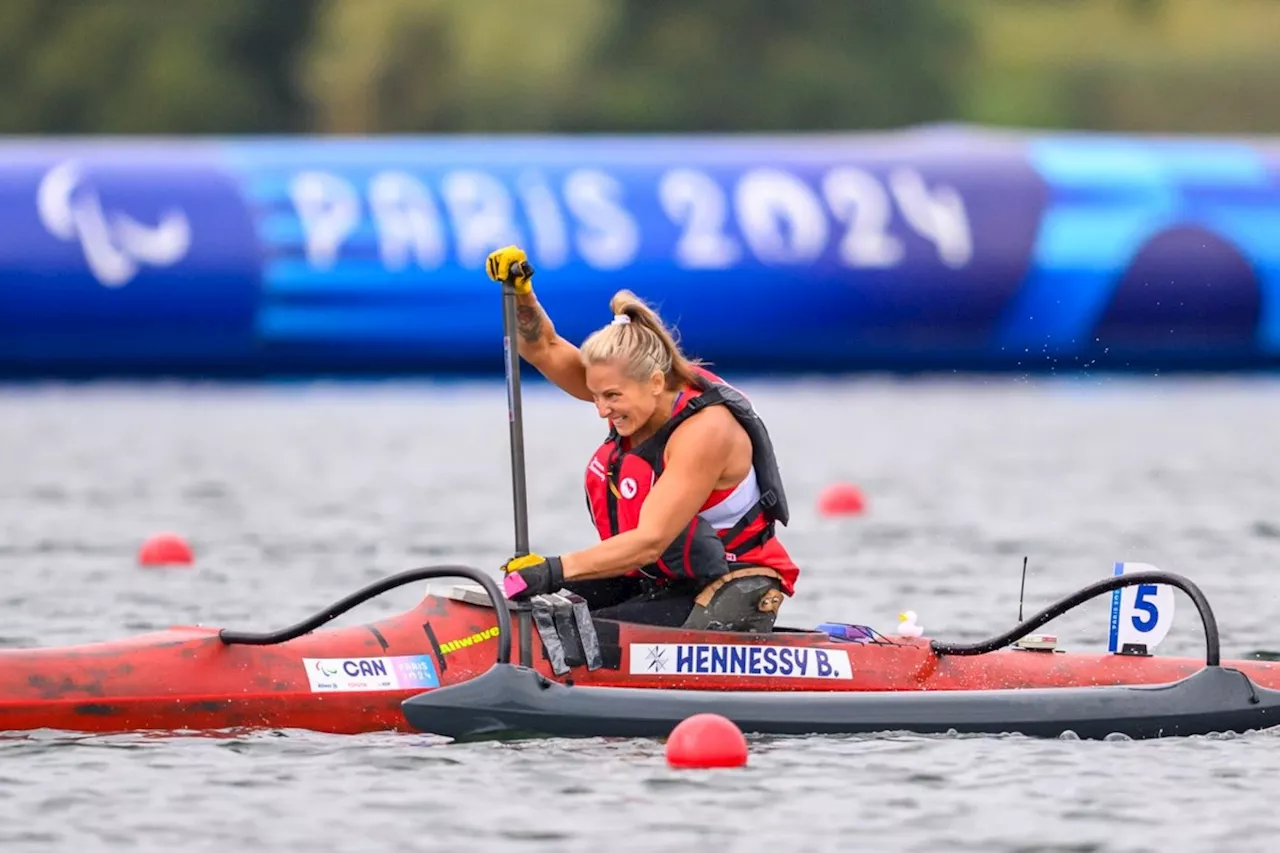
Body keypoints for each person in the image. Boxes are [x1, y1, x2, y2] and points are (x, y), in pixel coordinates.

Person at [485, 245, 801, 632]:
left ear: (656, 382)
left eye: (611, 397)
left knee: (566, 630)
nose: (601, 409)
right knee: (526, 613)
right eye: (595, 394)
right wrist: (522, 292)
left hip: (729, 583)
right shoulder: (631, 392)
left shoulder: (706, 430)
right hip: (658, 575)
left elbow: (651, 540)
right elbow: (542, 346)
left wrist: (550, 571)